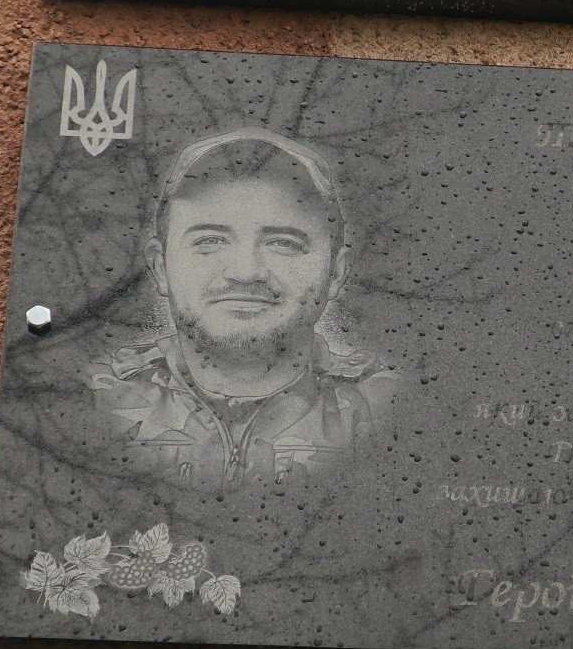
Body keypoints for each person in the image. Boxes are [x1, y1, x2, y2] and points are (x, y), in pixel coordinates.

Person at [91, 128, 399, 489]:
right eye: (210, 240)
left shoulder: (388, 406)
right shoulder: (93, 396)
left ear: (335, 273)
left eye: (283, 243)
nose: (245, 271)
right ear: (161, 267)